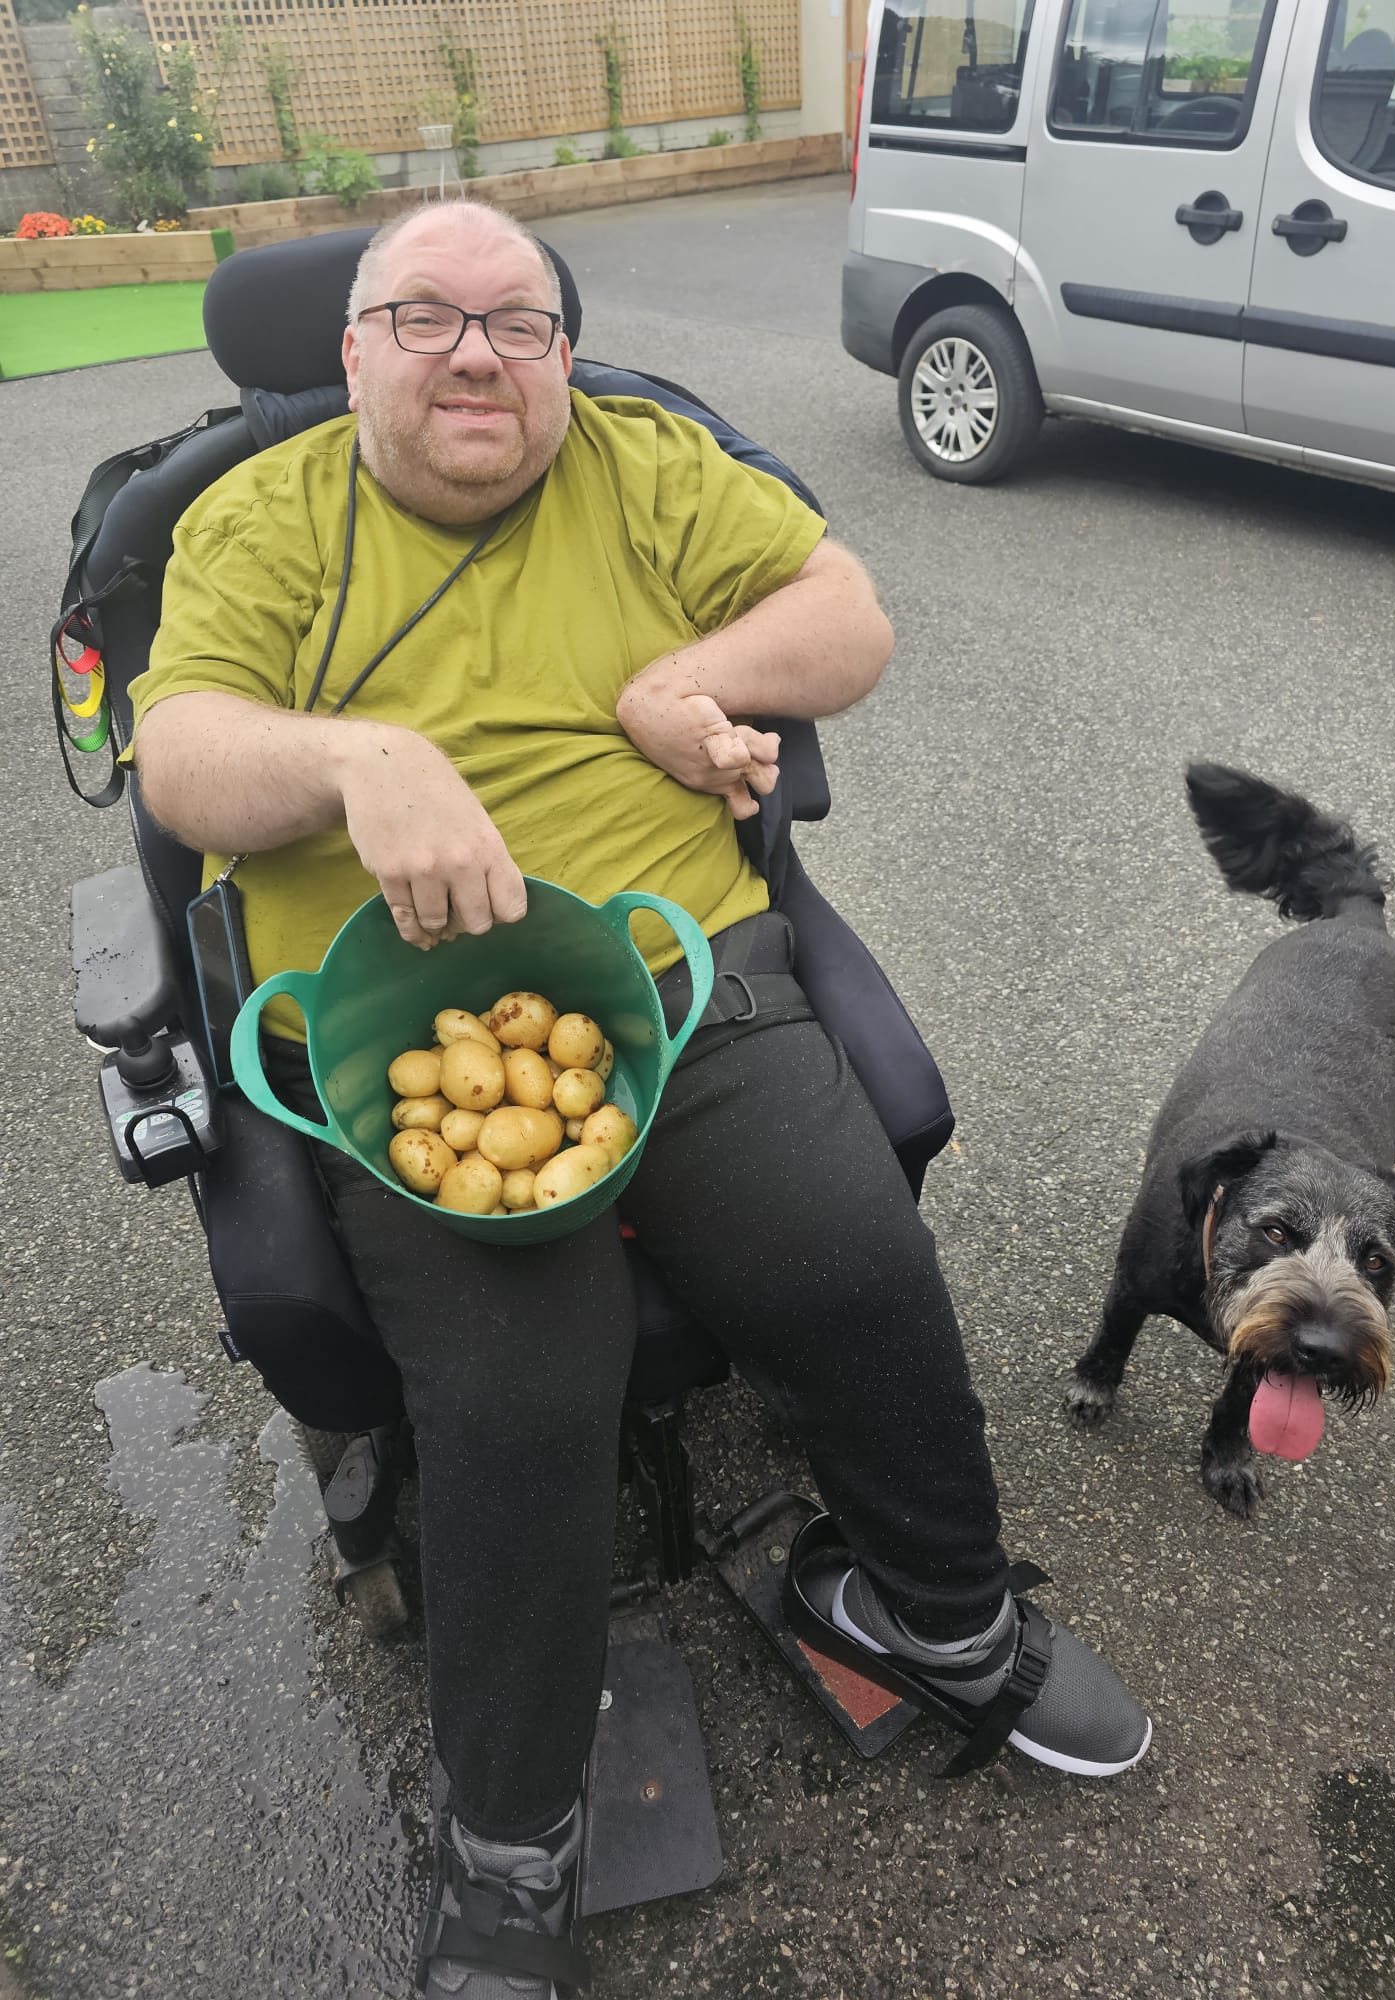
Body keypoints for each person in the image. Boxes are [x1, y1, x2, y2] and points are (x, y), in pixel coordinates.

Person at [125, 200, 1151, 2000]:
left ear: (563, 351)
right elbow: (184, 757)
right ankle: (513, 1837)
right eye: (424, 318)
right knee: (523, 1393)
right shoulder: (258, 516)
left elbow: (848, 619)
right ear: (353, 351)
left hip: (686, 982)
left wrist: (684, 679)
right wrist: (361, 759)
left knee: (855, 1267)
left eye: (518, 323)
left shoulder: (647, 462)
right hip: (404, 1028)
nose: (476, 355)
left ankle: (941, 1615)